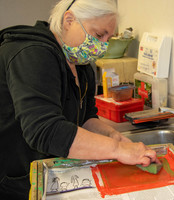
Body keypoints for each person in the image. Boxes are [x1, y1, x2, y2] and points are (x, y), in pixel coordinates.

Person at [0, 0, 158, 199]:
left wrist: (114, 137)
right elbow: (45, 130)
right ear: (69, 20)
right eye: (99, 35)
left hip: (49, 172)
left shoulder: (81, 65)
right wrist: (117, 150)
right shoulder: (32, 53)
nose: (102, 46)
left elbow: (85, 118)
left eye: (108, 38)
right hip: (14, 179)